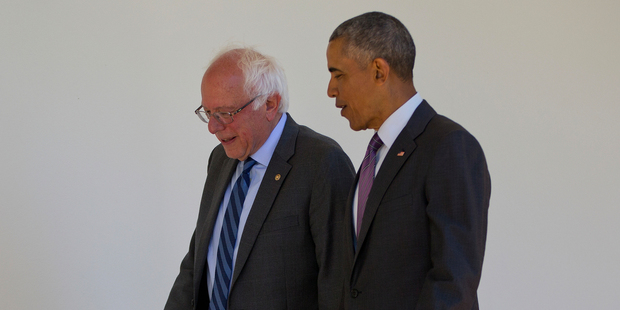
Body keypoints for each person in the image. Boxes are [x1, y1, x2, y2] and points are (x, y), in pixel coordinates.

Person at [165, 46, 354, 310]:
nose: (212, 127)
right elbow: (198, 260)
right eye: (208, 113)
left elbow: (340, 284)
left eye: (225, 113)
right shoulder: (220, 159)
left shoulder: (322, 163)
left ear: (270, 104)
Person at [326, 12, 491, 309]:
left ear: (379, 71)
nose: (331, 90)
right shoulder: (374, 157)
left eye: (339, 75)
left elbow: (453, 283)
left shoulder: (448, 146)